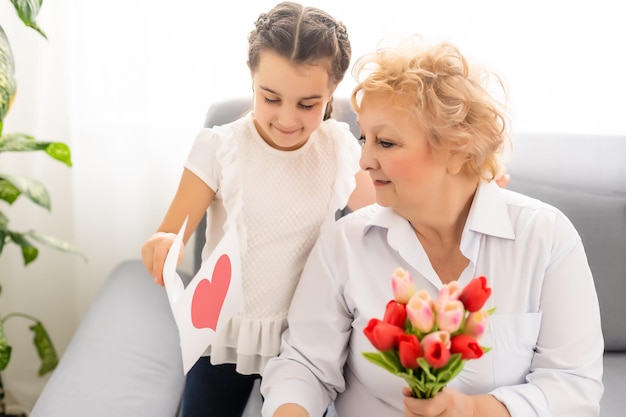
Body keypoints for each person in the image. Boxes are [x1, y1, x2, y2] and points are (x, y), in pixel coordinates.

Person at [260, 35, 604, 417]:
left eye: (386, 143)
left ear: (456, 151)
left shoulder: (547, 238)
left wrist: (473, 411)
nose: (364, 161)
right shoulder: (345, 244)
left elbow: (574, 387)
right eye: (364, 138)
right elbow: (304, 366)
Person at [140, 2, 375, 416]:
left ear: (332, 91)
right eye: (271, 98)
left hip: (301, 343)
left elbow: (388, 214)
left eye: (307, 104)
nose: (287, 118)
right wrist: (163, 244)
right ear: (252, 79)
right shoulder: (219, 147)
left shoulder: (337, 147)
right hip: (221, 335)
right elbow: (171, 233)